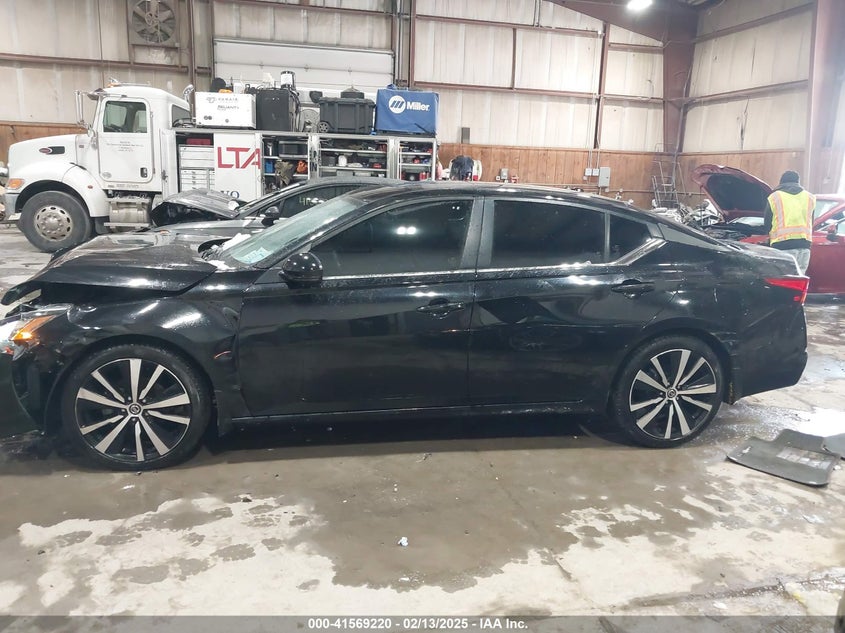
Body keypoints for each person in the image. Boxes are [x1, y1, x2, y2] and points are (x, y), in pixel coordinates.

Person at [764, 170, 815, 274]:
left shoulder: (775, 197)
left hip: (782, 246)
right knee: (799, 279)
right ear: (798, 182)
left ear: (781, 182)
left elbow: (767, 224)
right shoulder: (810, 197)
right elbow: (811, 221)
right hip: (804, 246)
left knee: (782, 278)